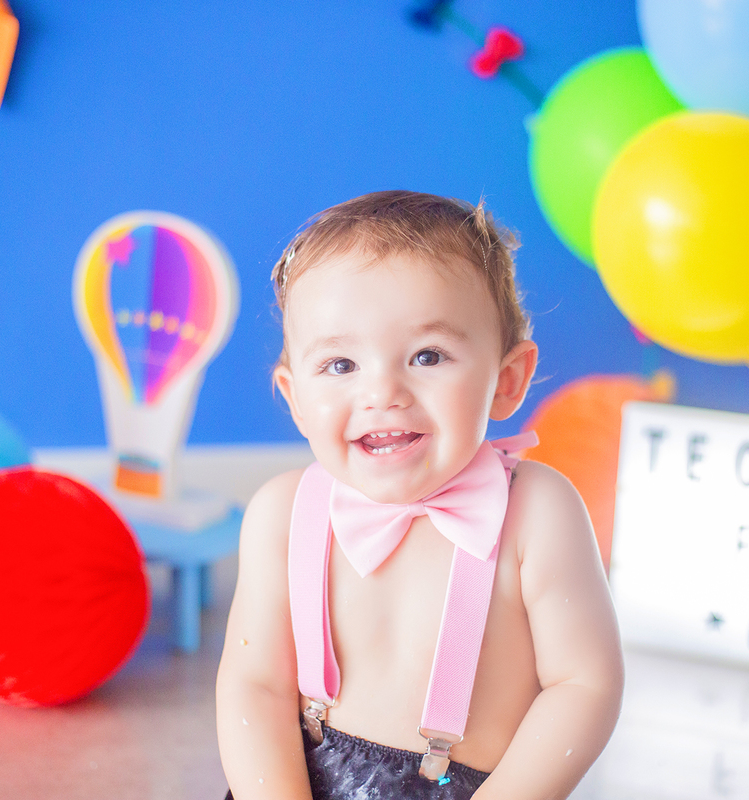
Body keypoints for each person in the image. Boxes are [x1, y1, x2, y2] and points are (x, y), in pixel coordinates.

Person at [216, 191, 623, 800]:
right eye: (340, 364)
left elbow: (584, 684)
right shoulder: (283, 514)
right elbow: (256, 685)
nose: (383, 391)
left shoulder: (538, 512)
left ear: (506, 381)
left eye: (426, 356)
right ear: (295, 395)